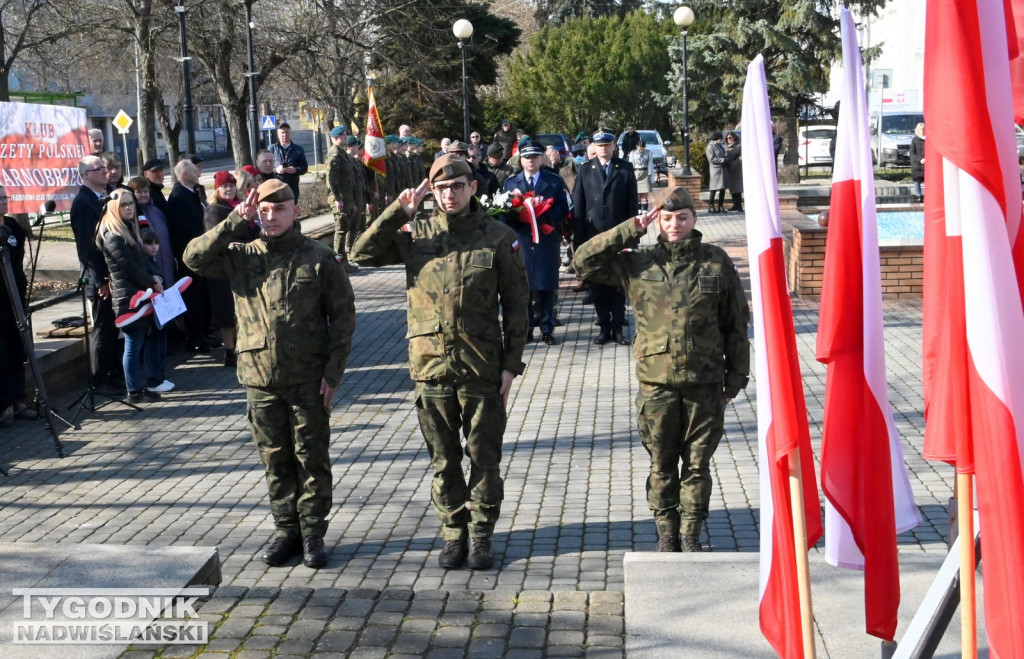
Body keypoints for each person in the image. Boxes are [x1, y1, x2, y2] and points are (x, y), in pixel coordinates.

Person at [350, 154, 530, 571]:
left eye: (457, 186)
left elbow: (519, 306)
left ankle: (481, 534)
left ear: (473, 188)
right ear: (432, 191)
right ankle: (454, 533)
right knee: (443, 459)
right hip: (430, 367)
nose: (450, 193)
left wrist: (511, 366)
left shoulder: (498, 237)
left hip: (482, 367)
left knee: (484, 457)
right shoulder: (416, 233)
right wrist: (399, 211)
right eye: (441, 187)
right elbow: (360, 253)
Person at [184, 179, 356, 569]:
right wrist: (233, 220)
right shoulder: (241, 254)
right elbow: (193, 259)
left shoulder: (319, 257)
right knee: (275, 459)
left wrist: (333, 373)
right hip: (259, 378)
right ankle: (286, 530)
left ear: (295, 211)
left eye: (280, 209)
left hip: (308, 378)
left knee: (311, 458)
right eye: (264, 210)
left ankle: (312, 532)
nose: (272, 216)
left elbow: (343, 318)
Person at [573, 187, 750, 552]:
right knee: (662, 464)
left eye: (682, 217)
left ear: (694, 219)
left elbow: (736, 323)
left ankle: (691, 533)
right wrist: (630, 228)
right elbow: (582, 262)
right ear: (658, 220)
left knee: (698, 465)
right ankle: (666, 531)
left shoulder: (716, 262)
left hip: (705, 382)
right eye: (667, 218)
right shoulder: (638, 262)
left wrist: (737, 376)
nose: (674, 225)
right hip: (657, 383)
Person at [96, 189, 165, 403]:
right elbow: (128, 267)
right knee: (133, 344)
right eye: (124, 204)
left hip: (138, 292)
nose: (129, 208)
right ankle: (133, 391)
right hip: (127, 296)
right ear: (114, 208)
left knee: (138, 342)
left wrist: (155, 276)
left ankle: (137, 386)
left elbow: (141, 263)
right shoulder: (112, 234)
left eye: (131, 204)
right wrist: (152, 282)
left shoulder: (127, 229)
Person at [572, 129, 637, 346]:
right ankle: (604, 327)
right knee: (598, 284)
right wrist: (579, 239)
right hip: (593, 237)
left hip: (618, 237)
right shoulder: (585, 170)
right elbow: (579, 206)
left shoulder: (625, 169)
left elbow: (631, 206)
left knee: (618, 284)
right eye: (599, 146)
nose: (603, 149)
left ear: (613, 147)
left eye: (607, 145)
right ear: (594, 147)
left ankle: (618, 328)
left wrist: (631, 237)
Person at [503, 140, 569, 345]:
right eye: (526, 157)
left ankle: (547, 328)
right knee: (524, 287)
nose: (530, 161)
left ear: (541, 159)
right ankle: (528, 328)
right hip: (522, 239)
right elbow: (502, 212)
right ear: (520, 160)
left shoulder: (554, 181)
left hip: (545, 238)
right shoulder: (511, 183)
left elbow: (564, 208)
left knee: (546, 286)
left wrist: (545, 218)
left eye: (534, 157)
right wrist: (516, 216)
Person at [71, 155, 122, 392]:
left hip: (111, 275)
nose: (105, 171)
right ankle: (100, 378)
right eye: (98, 169)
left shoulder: (103, 197)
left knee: (113, 328)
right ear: (85, 175)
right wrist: (100, 279)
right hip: (98, 279)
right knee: (102, 328)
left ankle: (113, 373)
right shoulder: (83, 202)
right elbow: (86, 248)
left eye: (104, 167)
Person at [0, 186, 39, 426]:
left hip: (15, 299)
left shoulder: (13, 227)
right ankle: (4, 405)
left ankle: (18, 400)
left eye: (5, 197)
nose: (4, 201)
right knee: (2, 353)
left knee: (17, 350)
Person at [167, 158, 212, 352]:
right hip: (190, 255)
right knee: (193, 297)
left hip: (200, 253)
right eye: (195, 170)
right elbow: (186, 227)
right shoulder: (177, 198)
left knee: (202, 296)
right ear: (184, 175)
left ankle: (203, 334)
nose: (199, 173)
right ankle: (195, 338)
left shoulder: (192, 192)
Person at [204, 171, 243, 366]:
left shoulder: (239, 205)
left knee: (240, 310)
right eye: (224, 186)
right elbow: (216, 236)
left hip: (242, 265)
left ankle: (240, 347)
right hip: (222, 268)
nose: (229, 189)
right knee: (227, 311)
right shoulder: (214, 209)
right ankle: (229, 351)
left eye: (231, 185)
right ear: (217, 189)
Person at [139, 229, 172, 394]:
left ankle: (159, 376)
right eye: (149, 244)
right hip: (151, 309)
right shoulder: (144, 261)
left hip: (160, 309)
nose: (154, 247)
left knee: (160, 342)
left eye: (156, 243)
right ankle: (154, 380)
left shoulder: (152, 259)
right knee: (153, 343)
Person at [326, 126, 358, 272]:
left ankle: (344, 262)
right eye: (343, 136)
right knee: (340, 230)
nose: (346, 137)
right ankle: (338, 264)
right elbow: (332, 179)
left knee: (345, 228)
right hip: (340, 199)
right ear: (336, 138)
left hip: (347, 199)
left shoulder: (342, 153)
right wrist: (337, 198)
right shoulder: (334, 154)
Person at [269, 123, 308, 201]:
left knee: (292, 209)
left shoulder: (298, 149)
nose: (285, 135)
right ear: (278, 135)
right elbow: (266, 168)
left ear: (290, 134)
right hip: (276, 185)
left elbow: (304, 168)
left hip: (292, 185)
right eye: (282, 133)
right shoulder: (272, 149)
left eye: (287, 132)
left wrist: (295, 170)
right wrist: (276, 170)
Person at [628, 140, 653, 212]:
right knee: (637, 193)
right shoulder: (633, 153)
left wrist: (650, 174)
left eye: (643, 148)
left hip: (645, 172)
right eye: (640, 148)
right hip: (636, 172)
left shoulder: (649, 152)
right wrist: (630, 174)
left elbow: (650, 163)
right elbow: (631, 163)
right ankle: (638, 210)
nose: (641, 149)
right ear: (637, 146)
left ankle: (645, 210)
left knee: (645, 193)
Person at [706, 132, 728, 213]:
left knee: (722, 189)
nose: (721, 140)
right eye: (720, 138)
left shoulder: (720, 146)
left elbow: (723, 154)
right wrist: (723, 160)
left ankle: (720, 206)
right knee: (713, 189)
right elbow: (711, 159)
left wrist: (726, 158)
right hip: (715, 170)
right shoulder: (710, 147)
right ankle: (711, 206)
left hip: (722, 170)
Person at [725, 131, 743, 212]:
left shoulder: (738, 146)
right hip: (729, 170)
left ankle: (739, 206)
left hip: (737, 170)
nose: (728, 139)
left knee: (737, 188)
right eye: (727, 138)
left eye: (730, 138)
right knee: (732, 188)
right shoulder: (727, 147)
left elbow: (741, 157)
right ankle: (735, 205)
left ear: (734, 138)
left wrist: (734, 163)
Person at [910, 122, 925, 202]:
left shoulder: (928, 139)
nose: (922, 130)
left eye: (923, 129)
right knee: (917, 181)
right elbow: (912, 153)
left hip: (927, 164)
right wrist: (920, 159)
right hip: (917, 165)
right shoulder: (914, 140)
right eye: (920, 129)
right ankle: (919, 196)